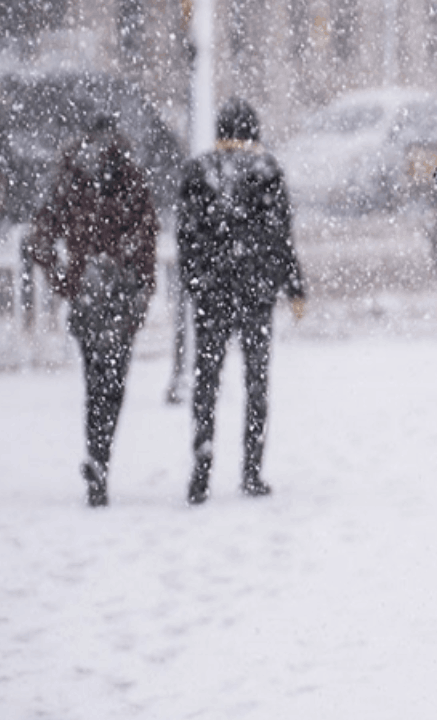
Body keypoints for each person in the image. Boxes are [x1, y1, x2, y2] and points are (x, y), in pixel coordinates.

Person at [176, 97, 305, 505]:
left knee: (206, 381)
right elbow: (280, 237)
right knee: (256, 382)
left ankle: (202, 459)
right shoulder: (266, 171)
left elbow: (186, 236)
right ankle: (251, 469)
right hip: (255, 294)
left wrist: (196, 282)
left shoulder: (198, 171)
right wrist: (294, 287)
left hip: (212, 294)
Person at [25, 112, 158, 507]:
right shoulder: (131, 179)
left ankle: (96, 456)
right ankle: (102, 457)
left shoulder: (70, 178)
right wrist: (142, 290)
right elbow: (147, 239)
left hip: (87, 295)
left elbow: (40, 238)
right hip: (120, 294)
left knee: (95, 382)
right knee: (114, 384)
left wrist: (66, 281)